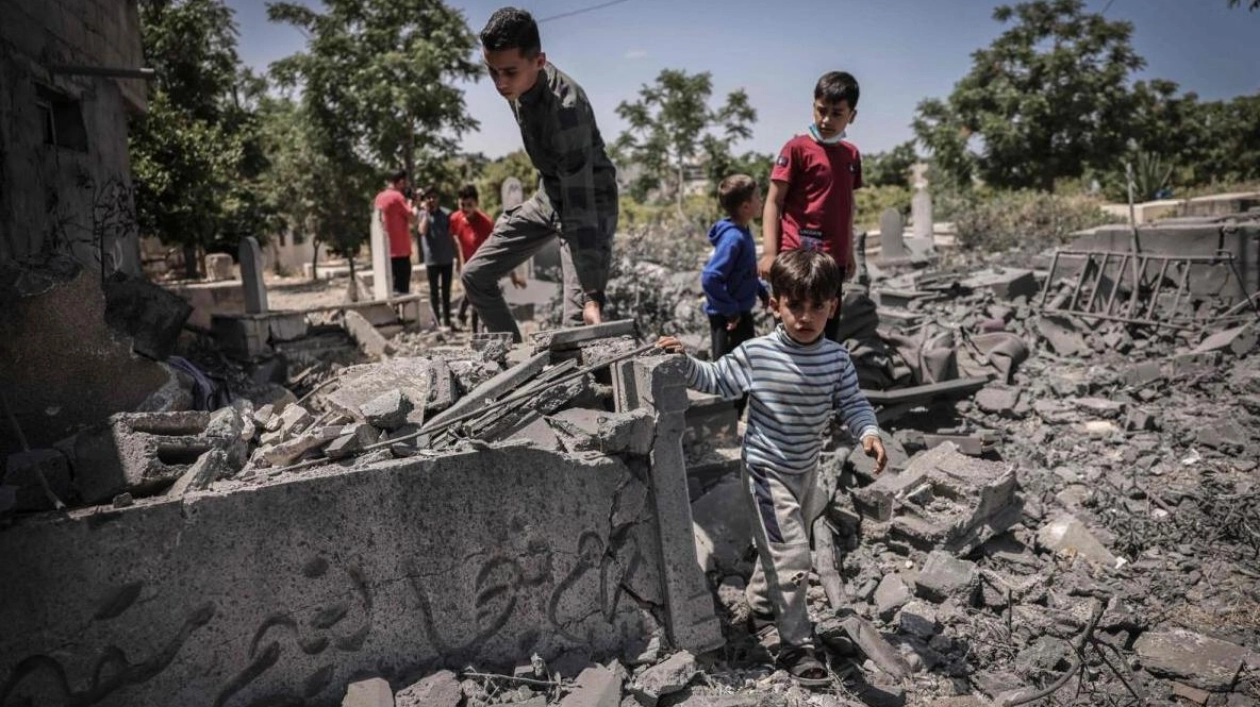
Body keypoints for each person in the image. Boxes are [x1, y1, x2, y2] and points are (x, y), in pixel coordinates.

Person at [656, 249, 887, 689]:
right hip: (765, 472)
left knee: (780, 547)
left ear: (832, 307)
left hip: (805, 471)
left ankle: (761, 607)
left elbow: (853, 404)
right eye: (794, 305)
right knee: (792, 553)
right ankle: (796, 644)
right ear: (774, 304)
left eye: (817, 306)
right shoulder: (758, 354)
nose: (805, 316)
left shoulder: (836, 360)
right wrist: (683, 361)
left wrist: (869, 433)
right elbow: (716, 378)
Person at [463, 6, 618, 342]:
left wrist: (592, 293)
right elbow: (557, 185)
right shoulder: (516, 84)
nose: (500, 83)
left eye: (508, 72)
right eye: (492, 72)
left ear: (539, 60)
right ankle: (518, 367)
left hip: (588, 203)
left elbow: (581, 207)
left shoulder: (566, 111)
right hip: (550, 194)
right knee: (475, 276)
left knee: (576, 327)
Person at [758, 71, 863, 342]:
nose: (827, 119)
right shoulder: (796, 149)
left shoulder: (851, 155)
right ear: (813, 107)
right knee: (792, 329)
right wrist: (770, 252)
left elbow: (847, 206)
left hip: (832, 261)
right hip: (796, 257)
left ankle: (821, 383)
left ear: (851, 115)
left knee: (825, 331)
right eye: (821, 110)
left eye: (837, 113)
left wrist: (849, 251)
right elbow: (773, 201)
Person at [702, 174, 768, 362]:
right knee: (728, 370)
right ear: (746, 206)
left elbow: (744, 271)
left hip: (740, 312)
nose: (761, 200)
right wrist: (730, 311)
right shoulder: (733, 238)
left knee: (744, 366)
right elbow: (710, 277)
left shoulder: (743, 232)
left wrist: (761, 292)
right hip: (727, 317)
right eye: (758, 196)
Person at [450, 184, 517, 332]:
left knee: (477, 302)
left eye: (469, 205)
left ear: (476, 204)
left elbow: (500, 248)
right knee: (471, 294)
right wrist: (459, 262)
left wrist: (512, 273)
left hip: (484, 269)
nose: (465, 208)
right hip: (467, 267)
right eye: (462, 204)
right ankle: (467, 322)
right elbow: (456, 241)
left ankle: (473, 330)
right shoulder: (455, 219)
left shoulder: (486, 224)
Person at [417, 185, 458, 328]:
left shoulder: (447, 214)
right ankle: (437, 320)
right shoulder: (422, 214)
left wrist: (457, 256)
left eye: (434, 197)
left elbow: (452, 236)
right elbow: (422, 231)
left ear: (438, 198)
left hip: (446, 258)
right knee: (434, 293)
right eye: (428, 197)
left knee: (446, 292)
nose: (431, 200)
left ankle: (447, 320)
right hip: (431, 260)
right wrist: (427, 213)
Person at [373, 169, 418, 295]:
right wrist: (414, 205)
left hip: (384, 252)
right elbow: (413, 219)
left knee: (388, 292)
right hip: (400, 253)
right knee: (402, 292)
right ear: (401, 182)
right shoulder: (398, 197)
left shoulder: (379, 197)